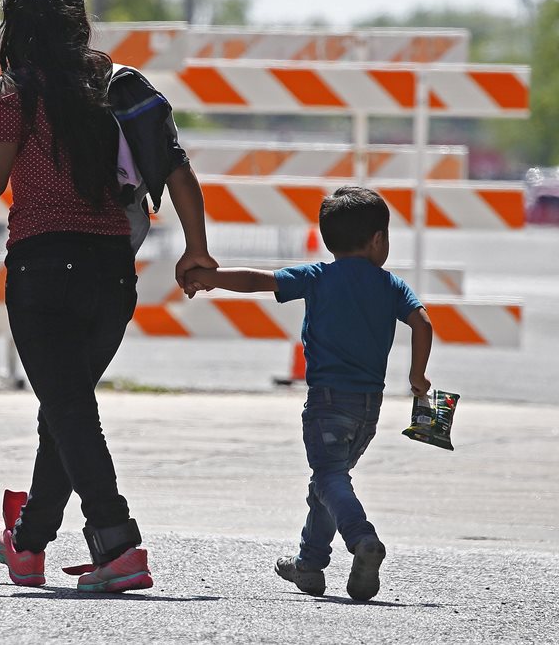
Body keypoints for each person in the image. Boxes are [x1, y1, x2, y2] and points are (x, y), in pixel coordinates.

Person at [0, 0, 216, 593]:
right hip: (110, 273)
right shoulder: (117, 85)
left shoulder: (12, 92)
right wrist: (197, 251)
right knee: (65, 407)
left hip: (42, 270)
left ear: (15, 25)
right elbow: (179, 173)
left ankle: (118, 540)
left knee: (68, 406)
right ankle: (28, 544)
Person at [183, 185, 433, 602]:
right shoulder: (392, 286)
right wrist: (418, 377)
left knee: (329, 477)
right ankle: (311, 566)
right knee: (328, 480)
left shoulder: (318, 277)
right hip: (369, 408)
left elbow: (256, 280)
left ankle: (361, 538)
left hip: (327, 403)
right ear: (378, 240)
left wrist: (208, 278)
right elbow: (423, 324)